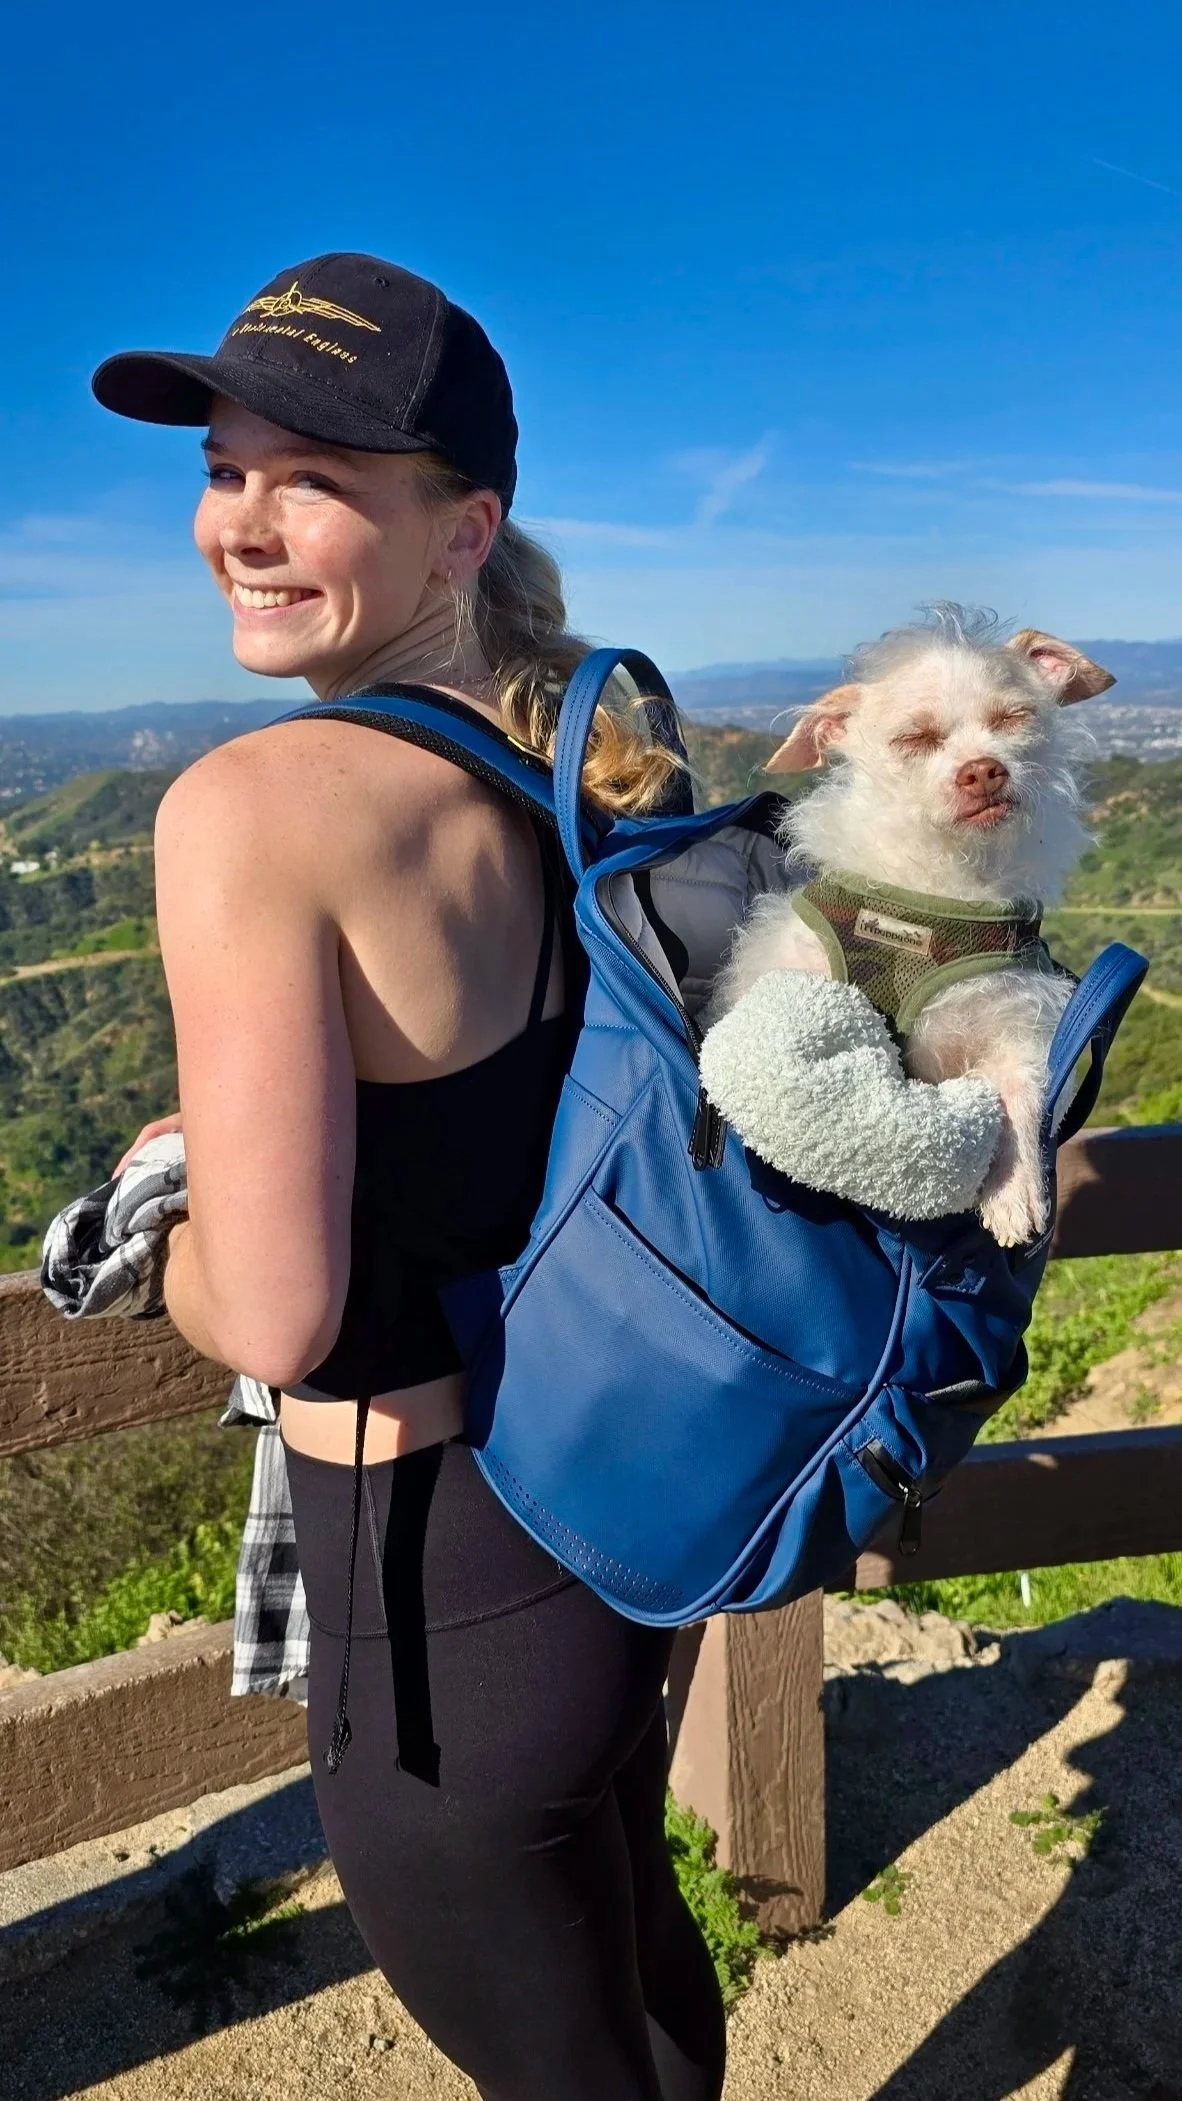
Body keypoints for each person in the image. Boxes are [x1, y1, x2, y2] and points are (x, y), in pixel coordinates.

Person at [93, 253, 727, 2101]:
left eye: (317, 480)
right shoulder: (574, 765)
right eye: (225, 470)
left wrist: (164, 1243)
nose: (243, 523)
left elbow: (281, 1311)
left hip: (426, 1591)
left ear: (464, 532)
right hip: (599, 1520)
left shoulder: (253, 808)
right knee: (633, 1983)